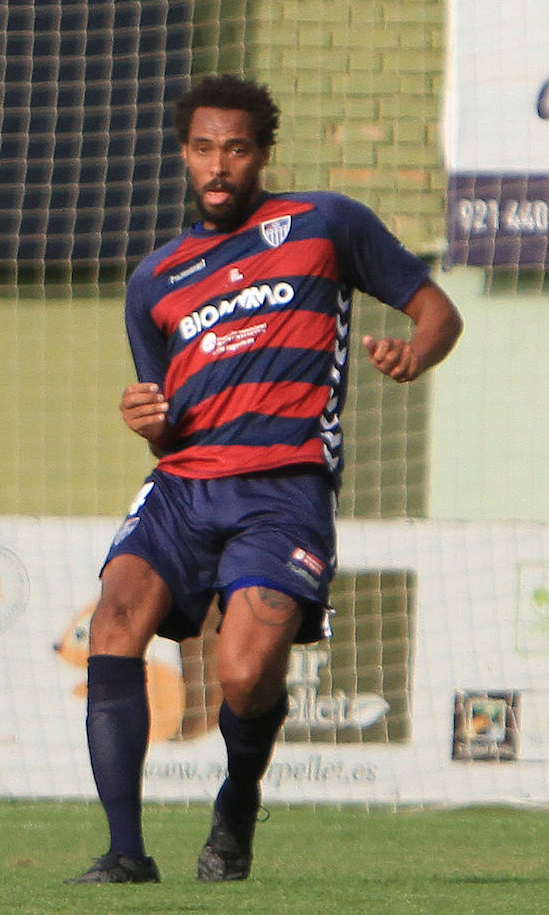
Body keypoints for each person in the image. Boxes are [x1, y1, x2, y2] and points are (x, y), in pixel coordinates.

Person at [67, 74, 461, 885]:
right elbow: (164, 417)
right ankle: (125, 852)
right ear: (184, 154)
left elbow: (436, 309)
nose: (219, 166)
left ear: (262, 154)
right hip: (182, 486)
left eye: (236, 149)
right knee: (112, 620)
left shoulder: (324, 224)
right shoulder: (155, 280)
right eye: (204, 149)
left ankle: (237, 801)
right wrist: (149, 419)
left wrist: (415, 353)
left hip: (284, 490)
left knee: (244, 674)